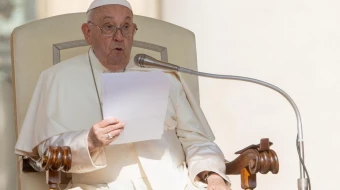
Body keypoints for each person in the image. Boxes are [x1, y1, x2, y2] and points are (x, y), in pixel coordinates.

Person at [15, 0, 231, 189]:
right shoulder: (57, 78)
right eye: (109, 27)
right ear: (88, 33)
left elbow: (197, 141)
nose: (119, 37)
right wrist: (89, 141)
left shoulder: (162, 76)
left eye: (126, 27)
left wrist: (212, 174)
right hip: (102, 186)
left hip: (175, 183)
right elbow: (47, 152)